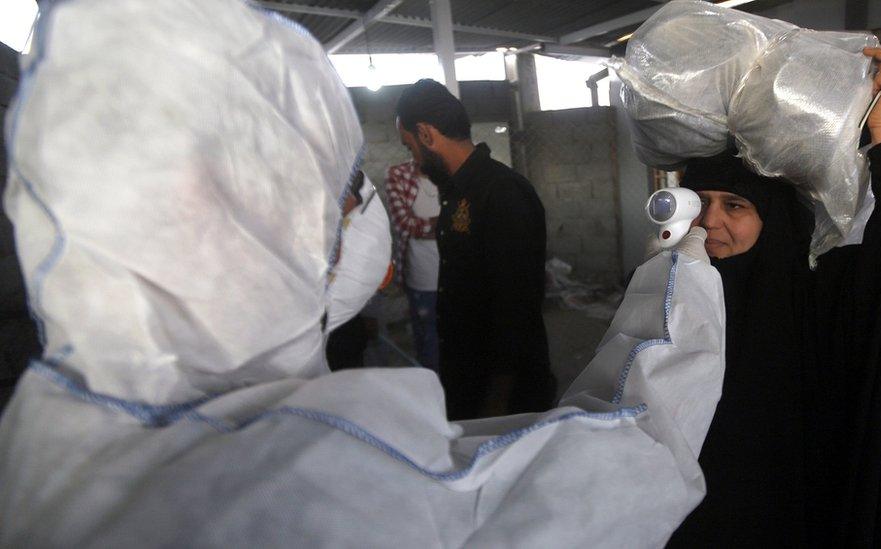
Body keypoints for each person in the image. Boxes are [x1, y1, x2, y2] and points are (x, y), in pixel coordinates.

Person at [0, 1, 727, 546]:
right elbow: (628, 456)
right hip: (479, 378)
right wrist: (683, 285)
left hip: (498, 373)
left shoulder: (51, 462)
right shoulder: (365, 469)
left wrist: (500, 391)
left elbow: (512, 306)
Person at [668, 48, 881, 547]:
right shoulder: (669, 288)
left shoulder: (817, 299)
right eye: (700, 203)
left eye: (734, 204)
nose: (709, 222)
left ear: (776, 217)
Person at [394, 79, 556, 420]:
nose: (415, 162)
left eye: (410, 148)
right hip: (468, 376)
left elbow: (516, 306)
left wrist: (498, 399)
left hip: (504, 394)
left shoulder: (502, 192)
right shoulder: (456, 193)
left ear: (425, 134)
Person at [385, 160, 440, 372]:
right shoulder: (399, 175)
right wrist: (446, 223)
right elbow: (403, 224)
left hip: (458, 272)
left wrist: (427, 225)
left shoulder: (454, 170)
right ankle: (432, 389)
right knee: (428, 341)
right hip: (422, 275)